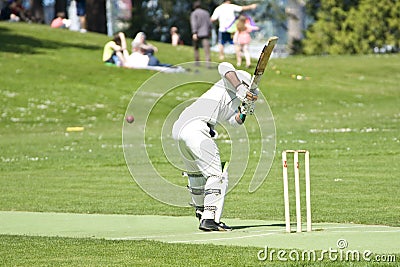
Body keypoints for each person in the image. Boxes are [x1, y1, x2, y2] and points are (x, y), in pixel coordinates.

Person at [172, 62, 259, 231]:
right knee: (216, 175)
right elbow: (224, 67)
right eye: (251, 91)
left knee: (195, 174)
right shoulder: (233, 81)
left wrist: (244, 111)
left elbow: (234, 122)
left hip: (181, 127)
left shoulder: (230, 100)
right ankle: (209, 219)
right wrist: (241, 87)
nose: (251, 93)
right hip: (196, 126)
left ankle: (200, 212)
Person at [190, 0, 211, 65]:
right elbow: (209, 23)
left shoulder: (194, 13)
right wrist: (209, 31)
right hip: (205, 33)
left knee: (196, 48)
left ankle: (197, 62)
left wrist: (194, 32)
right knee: (206, 49)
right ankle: (208, 63)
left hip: (197, 33)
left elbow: (194, 23)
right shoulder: (206, 13)